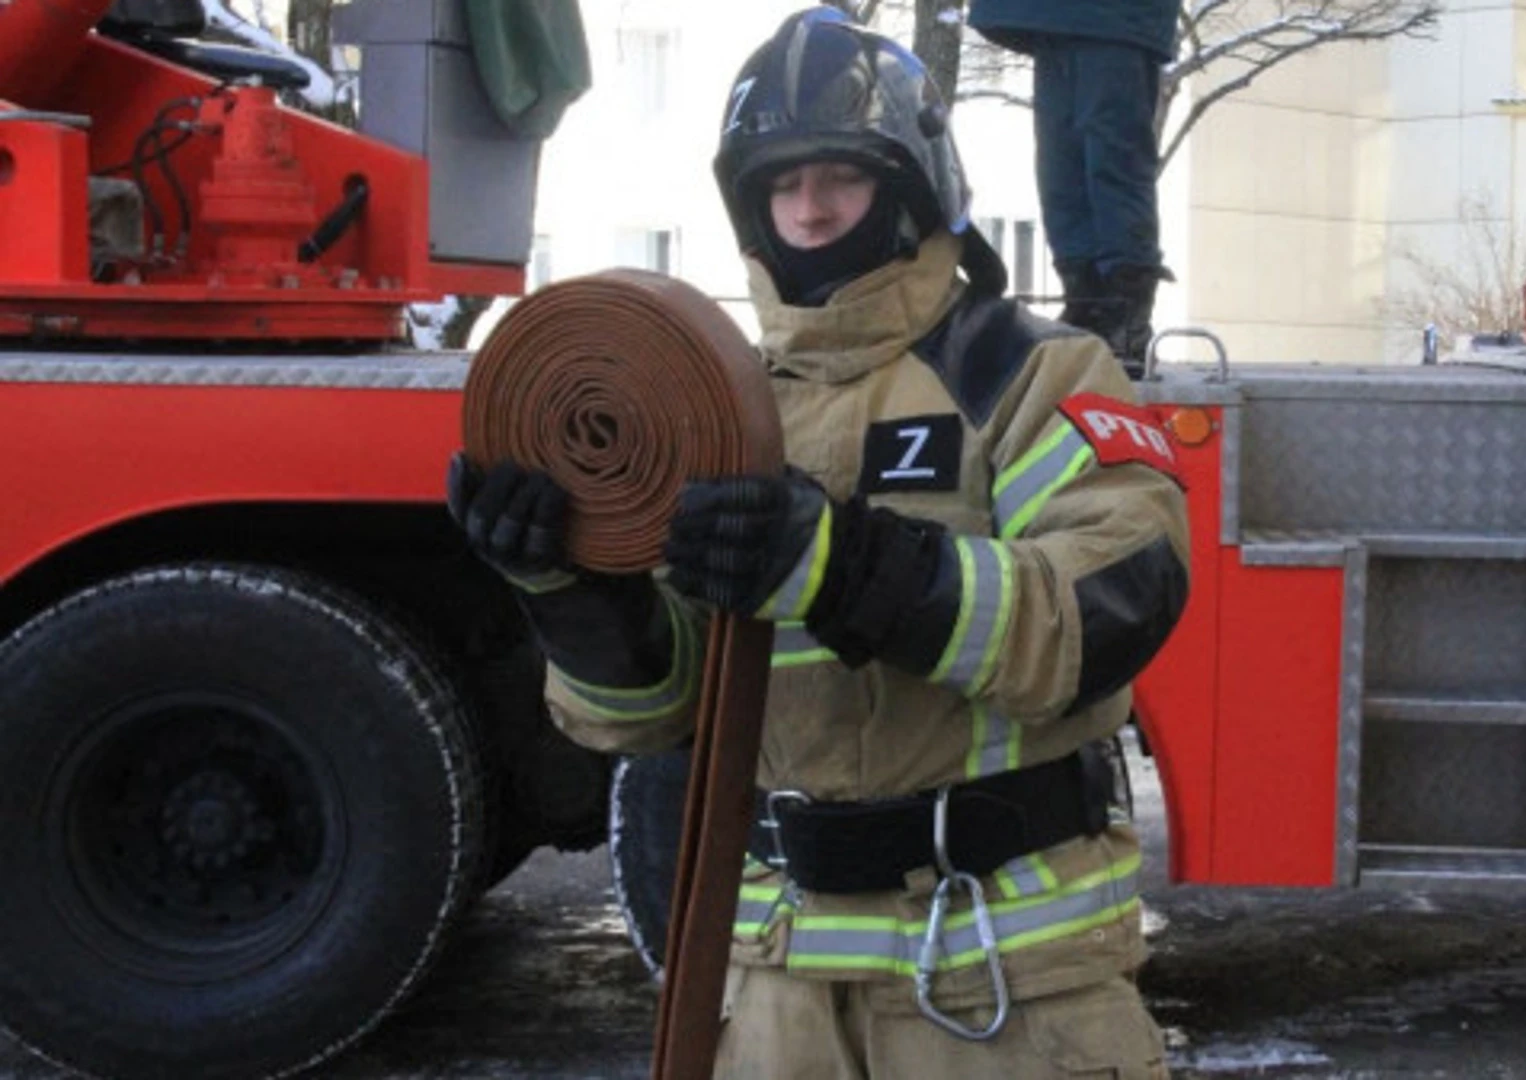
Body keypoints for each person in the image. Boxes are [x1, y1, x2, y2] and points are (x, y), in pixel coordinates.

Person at [448, 8, 1190, 1077]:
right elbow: (653, 716)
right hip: (777, 984)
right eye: (780, 183)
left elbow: (1107, 610)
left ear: (913, 185)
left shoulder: (1033, 374)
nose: (810, 208)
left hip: (1008, 980)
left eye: (841, 174)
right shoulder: (716, 407)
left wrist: (845, 570)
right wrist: (567, 590)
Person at [968, 0, 1180, 373]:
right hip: (1053, 17)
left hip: (1112, 19)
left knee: (1109, 157)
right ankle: (1086, 300)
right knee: (1060, 162)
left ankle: (1123, 310)